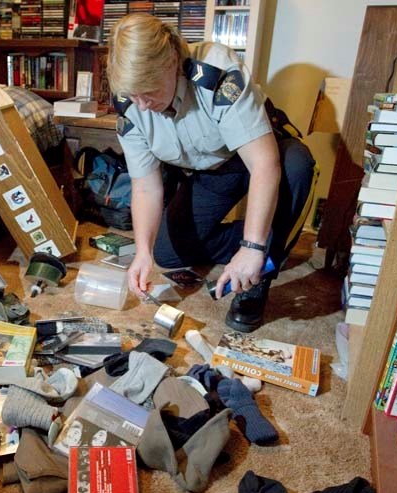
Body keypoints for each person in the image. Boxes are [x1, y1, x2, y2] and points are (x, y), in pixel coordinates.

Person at [107, 13, 316, 332]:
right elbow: (146, 187)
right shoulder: (131, 103)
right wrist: (143, 253)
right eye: (134, 95)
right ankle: (273, 234)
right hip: (216, 169)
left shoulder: (216, 73)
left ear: (173, 62)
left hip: (263, 153)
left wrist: (253, 247)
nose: (143, 105)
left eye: (148, 91)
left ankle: (258, 271)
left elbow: (263, 164)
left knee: (297, 165)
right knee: (168, 251)